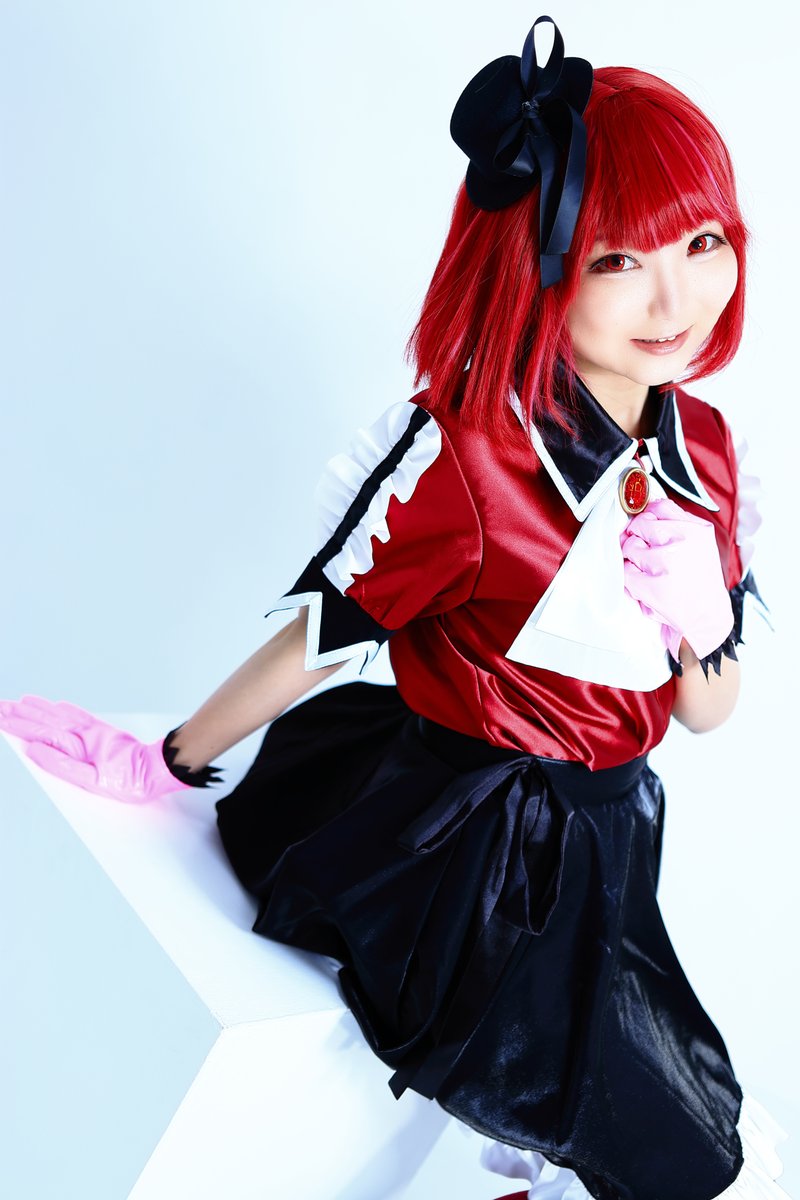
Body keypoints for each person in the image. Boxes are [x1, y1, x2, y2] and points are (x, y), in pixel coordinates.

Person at [0, 15, 788, 1200]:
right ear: (540, 262)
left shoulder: (707, 452)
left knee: (690, 1116)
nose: (674, 297)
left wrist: (701, 621)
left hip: (611, 842)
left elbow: (702, 712)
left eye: (701, 241)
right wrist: (170, 759)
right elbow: (329, 632)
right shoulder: (472, 454)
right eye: (617, 260)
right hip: (470, 853)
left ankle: (533, 1154)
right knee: (688, 1153)